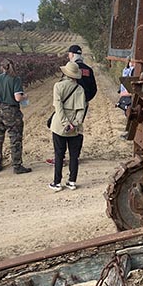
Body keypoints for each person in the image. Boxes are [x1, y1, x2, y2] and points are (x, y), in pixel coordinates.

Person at [46, 45, 98, 165]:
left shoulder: (70, 69)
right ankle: (75, 157)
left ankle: (60, 158)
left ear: (73, 55)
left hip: (66, 106)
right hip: (81, 106)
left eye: (69, 54)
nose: (68, 56)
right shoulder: (88, 70)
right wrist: (84, 100)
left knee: (62, 130)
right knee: (77, 129)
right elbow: (94, 89)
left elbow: (62, 87)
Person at [48, 61, 87, 191]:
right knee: (74, 155)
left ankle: (57, 182)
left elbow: (58, 107)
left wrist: (65, 123)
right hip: (75, 128)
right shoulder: (80, 89)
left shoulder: (58, 86)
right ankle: (72, 181)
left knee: (59, 154)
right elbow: (82, 110)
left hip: (59, 125)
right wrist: (74, 124)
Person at [0, 58, 32, 174]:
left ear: (1, 67)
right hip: (11, 112)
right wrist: (25, 97)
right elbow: (18, 98)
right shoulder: (15, 79)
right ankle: (17, 165)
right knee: (15, 138)